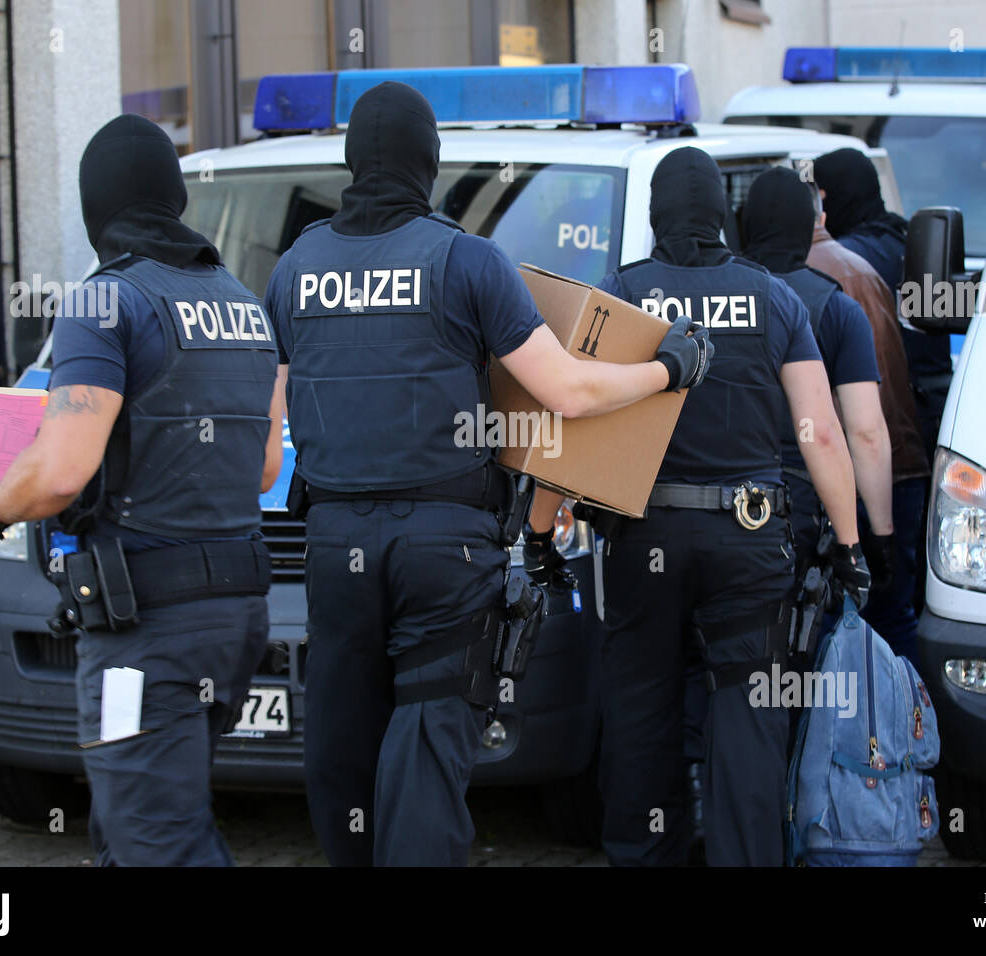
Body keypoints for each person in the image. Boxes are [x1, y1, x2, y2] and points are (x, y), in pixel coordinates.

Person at [262, 82, 712, 867]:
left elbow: (273, 433)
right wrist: (669, 368)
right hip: (443, 548)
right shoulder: (465, 261)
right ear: (427, 161)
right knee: (429, 753)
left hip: (331, 546)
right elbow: (566, 392)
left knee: (342, 753)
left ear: (351, 160)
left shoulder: (294, 270)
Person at [0, 114, 284, 865]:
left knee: (157, 838)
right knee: (134, 824)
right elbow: (260, 470)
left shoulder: (103, 302)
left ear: (98, 205)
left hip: (145, 631)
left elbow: (61, 471)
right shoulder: (245, 305)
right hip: (235, 619)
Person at [594, 146, 870, 867]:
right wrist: (848, 545)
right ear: (723, 211)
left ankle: (645, 854)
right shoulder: (773, 295)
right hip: (748, 536)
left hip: (642, 531)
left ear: (656, 211)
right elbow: (822, 433)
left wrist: (550, 524)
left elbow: (579, 419)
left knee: (641, 704)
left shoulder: (620, 293)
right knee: (749, 711)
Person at [740, 166, 895, 592]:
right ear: (808, 227)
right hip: (803, 511)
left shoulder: (716, 298)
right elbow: (865, 432)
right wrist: (875, 537)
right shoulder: (838, 308)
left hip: (719, 511)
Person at [807, 178, 931, 663]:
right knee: (890, 616)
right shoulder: (854, 273)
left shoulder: (776, 279)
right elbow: (871, 425)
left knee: (832, 627)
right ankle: (903, 732)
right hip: (884, 476)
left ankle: (842, 735)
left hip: (838, 480)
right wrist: (880, 534)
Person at [813, 147, 950, 460]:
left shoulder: (845, 260)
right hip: (936, 407)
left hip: (887, 416)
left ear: (837, 196)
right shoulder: (908, 239)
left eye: (822, 199)